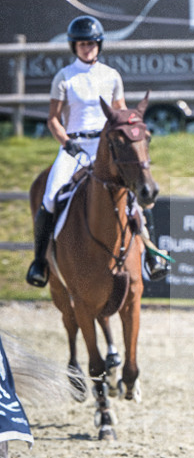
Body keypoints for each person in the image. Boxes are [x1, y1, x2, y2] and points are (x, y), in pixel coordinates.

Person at [26, 16, 169, 288]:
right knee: (50, 196)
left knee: (137, 198)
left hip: (107, 148)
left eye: (91, 44)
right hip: (74, 147)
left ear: (99, 45)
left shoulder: (111, 76)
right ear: (74, 46)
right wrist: (66, 142)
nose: (87, 48)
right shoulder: (64, 77)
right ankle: (39, 263)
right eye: (81, 44)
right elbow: (53, 119)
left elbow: (122, 116)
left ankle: (152, 257)